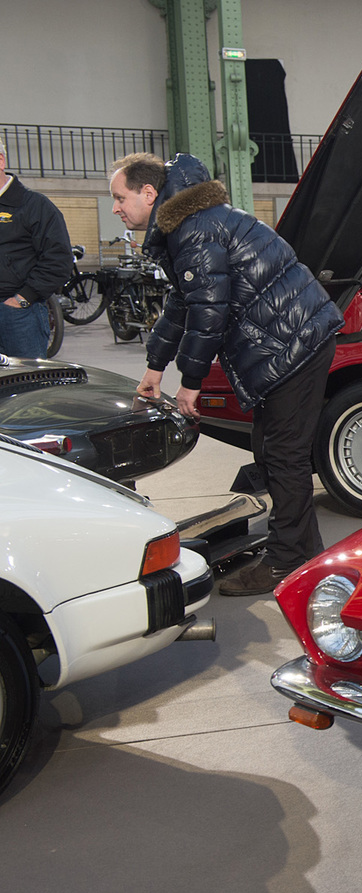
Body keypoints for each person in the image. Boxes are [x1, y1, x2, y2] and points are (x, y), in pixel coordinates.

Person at [109, 152, 343, 597]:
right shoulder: (190, 223)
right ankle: (301, 551)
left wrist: (190, 382)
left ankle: (287, 563)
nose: (117, 208)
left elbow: (208, 312)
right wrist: (154, 367)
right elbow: (183, 302)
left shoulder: (193, 229)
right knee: (273, 451)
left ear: (149, 193)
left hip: (293, 341)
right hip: (291, 336)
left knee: (282, 456)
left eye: (120, 198)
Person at [0, 140, 72, 359]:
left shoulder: (35, 206)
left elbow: (58, 260)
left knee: (25, 387)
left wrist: (22, 299)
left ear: (0, 160)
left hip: (19, 315)